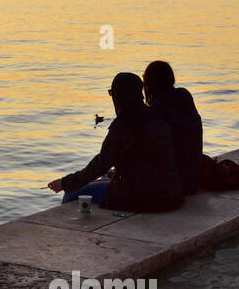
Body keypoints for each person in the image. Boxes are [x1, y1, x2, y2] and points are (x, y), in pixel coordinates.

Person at [47, 73, 184, 212]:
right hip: (171, 196)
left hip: (143, 199)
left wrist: (65, 183)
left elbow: (100, 164)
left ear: (119, 97)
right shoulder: (156, 118)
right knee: (106, 177)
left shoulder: (124, 125)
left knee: (72, 194)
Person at [142, 60, 204, 196]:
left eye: (144, 79)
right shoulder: (184, 96)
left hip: (172, 186)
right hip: (193, 180)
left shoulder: (156, 110)